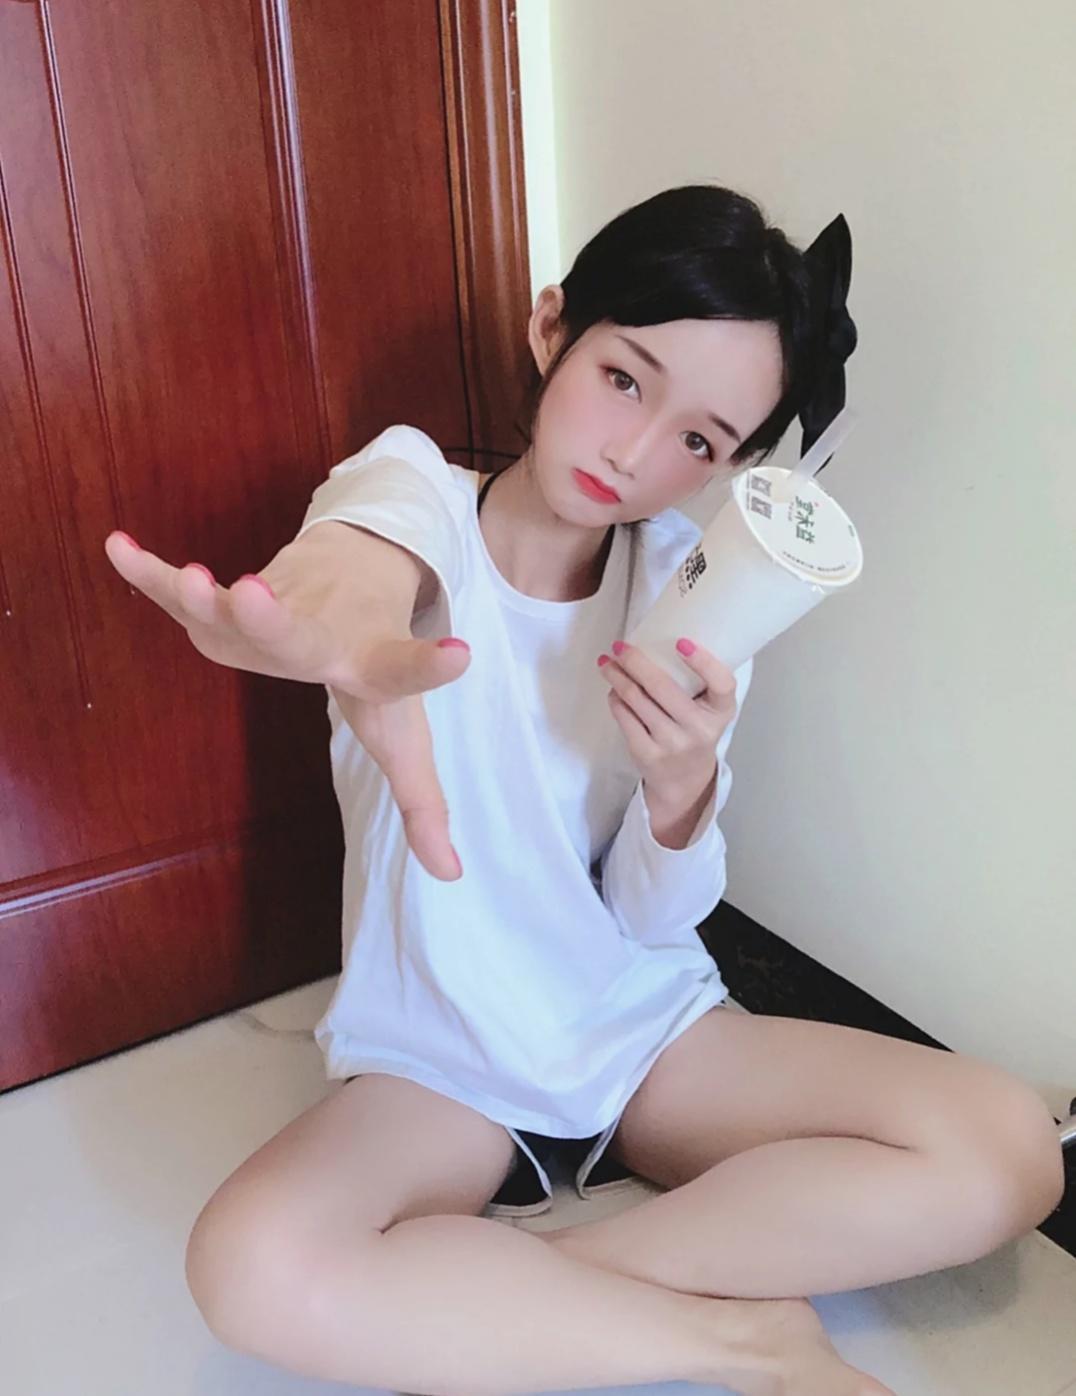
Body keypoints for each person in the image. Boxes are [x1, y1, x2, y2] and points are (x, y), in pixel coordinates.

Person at [105, 185, 901, 1395]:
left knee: (999, 1150)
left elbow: (650, 918)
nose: (634, 453)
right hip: (442, 1063)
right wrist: (330, 622)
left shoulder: (690, 586)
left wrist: (681, 790)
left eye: (698, 442)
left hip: (641, 1033)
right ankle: (740, 1339)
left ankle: (523, 1284)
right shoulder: (415, 490)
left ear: (733, 465)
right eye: (623, 379)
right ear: (550, 329)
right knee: (247, 1265)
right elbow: (355, 559)